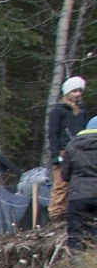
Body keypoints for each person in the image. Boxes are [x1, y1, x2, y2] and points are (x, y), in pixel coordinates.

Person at [48, 77, 88, 225]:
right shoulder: (57, 111)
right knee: (61, 185)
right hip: (63, 152)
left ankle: (70, 214)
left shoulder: (82, 111)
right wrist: (54, 154)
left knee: (76, 184)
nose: (78, 94)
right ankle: (56, 215)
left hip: (80, 151)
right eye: (74, 91)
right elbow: (53, 134)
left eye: (80, 91)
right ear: (67, 92)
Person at [60, 119, 97, 251]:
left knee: (75, 236)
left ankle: (77, 265)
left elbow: (64, 175)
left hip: (78, 197)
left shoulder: (72, 145)